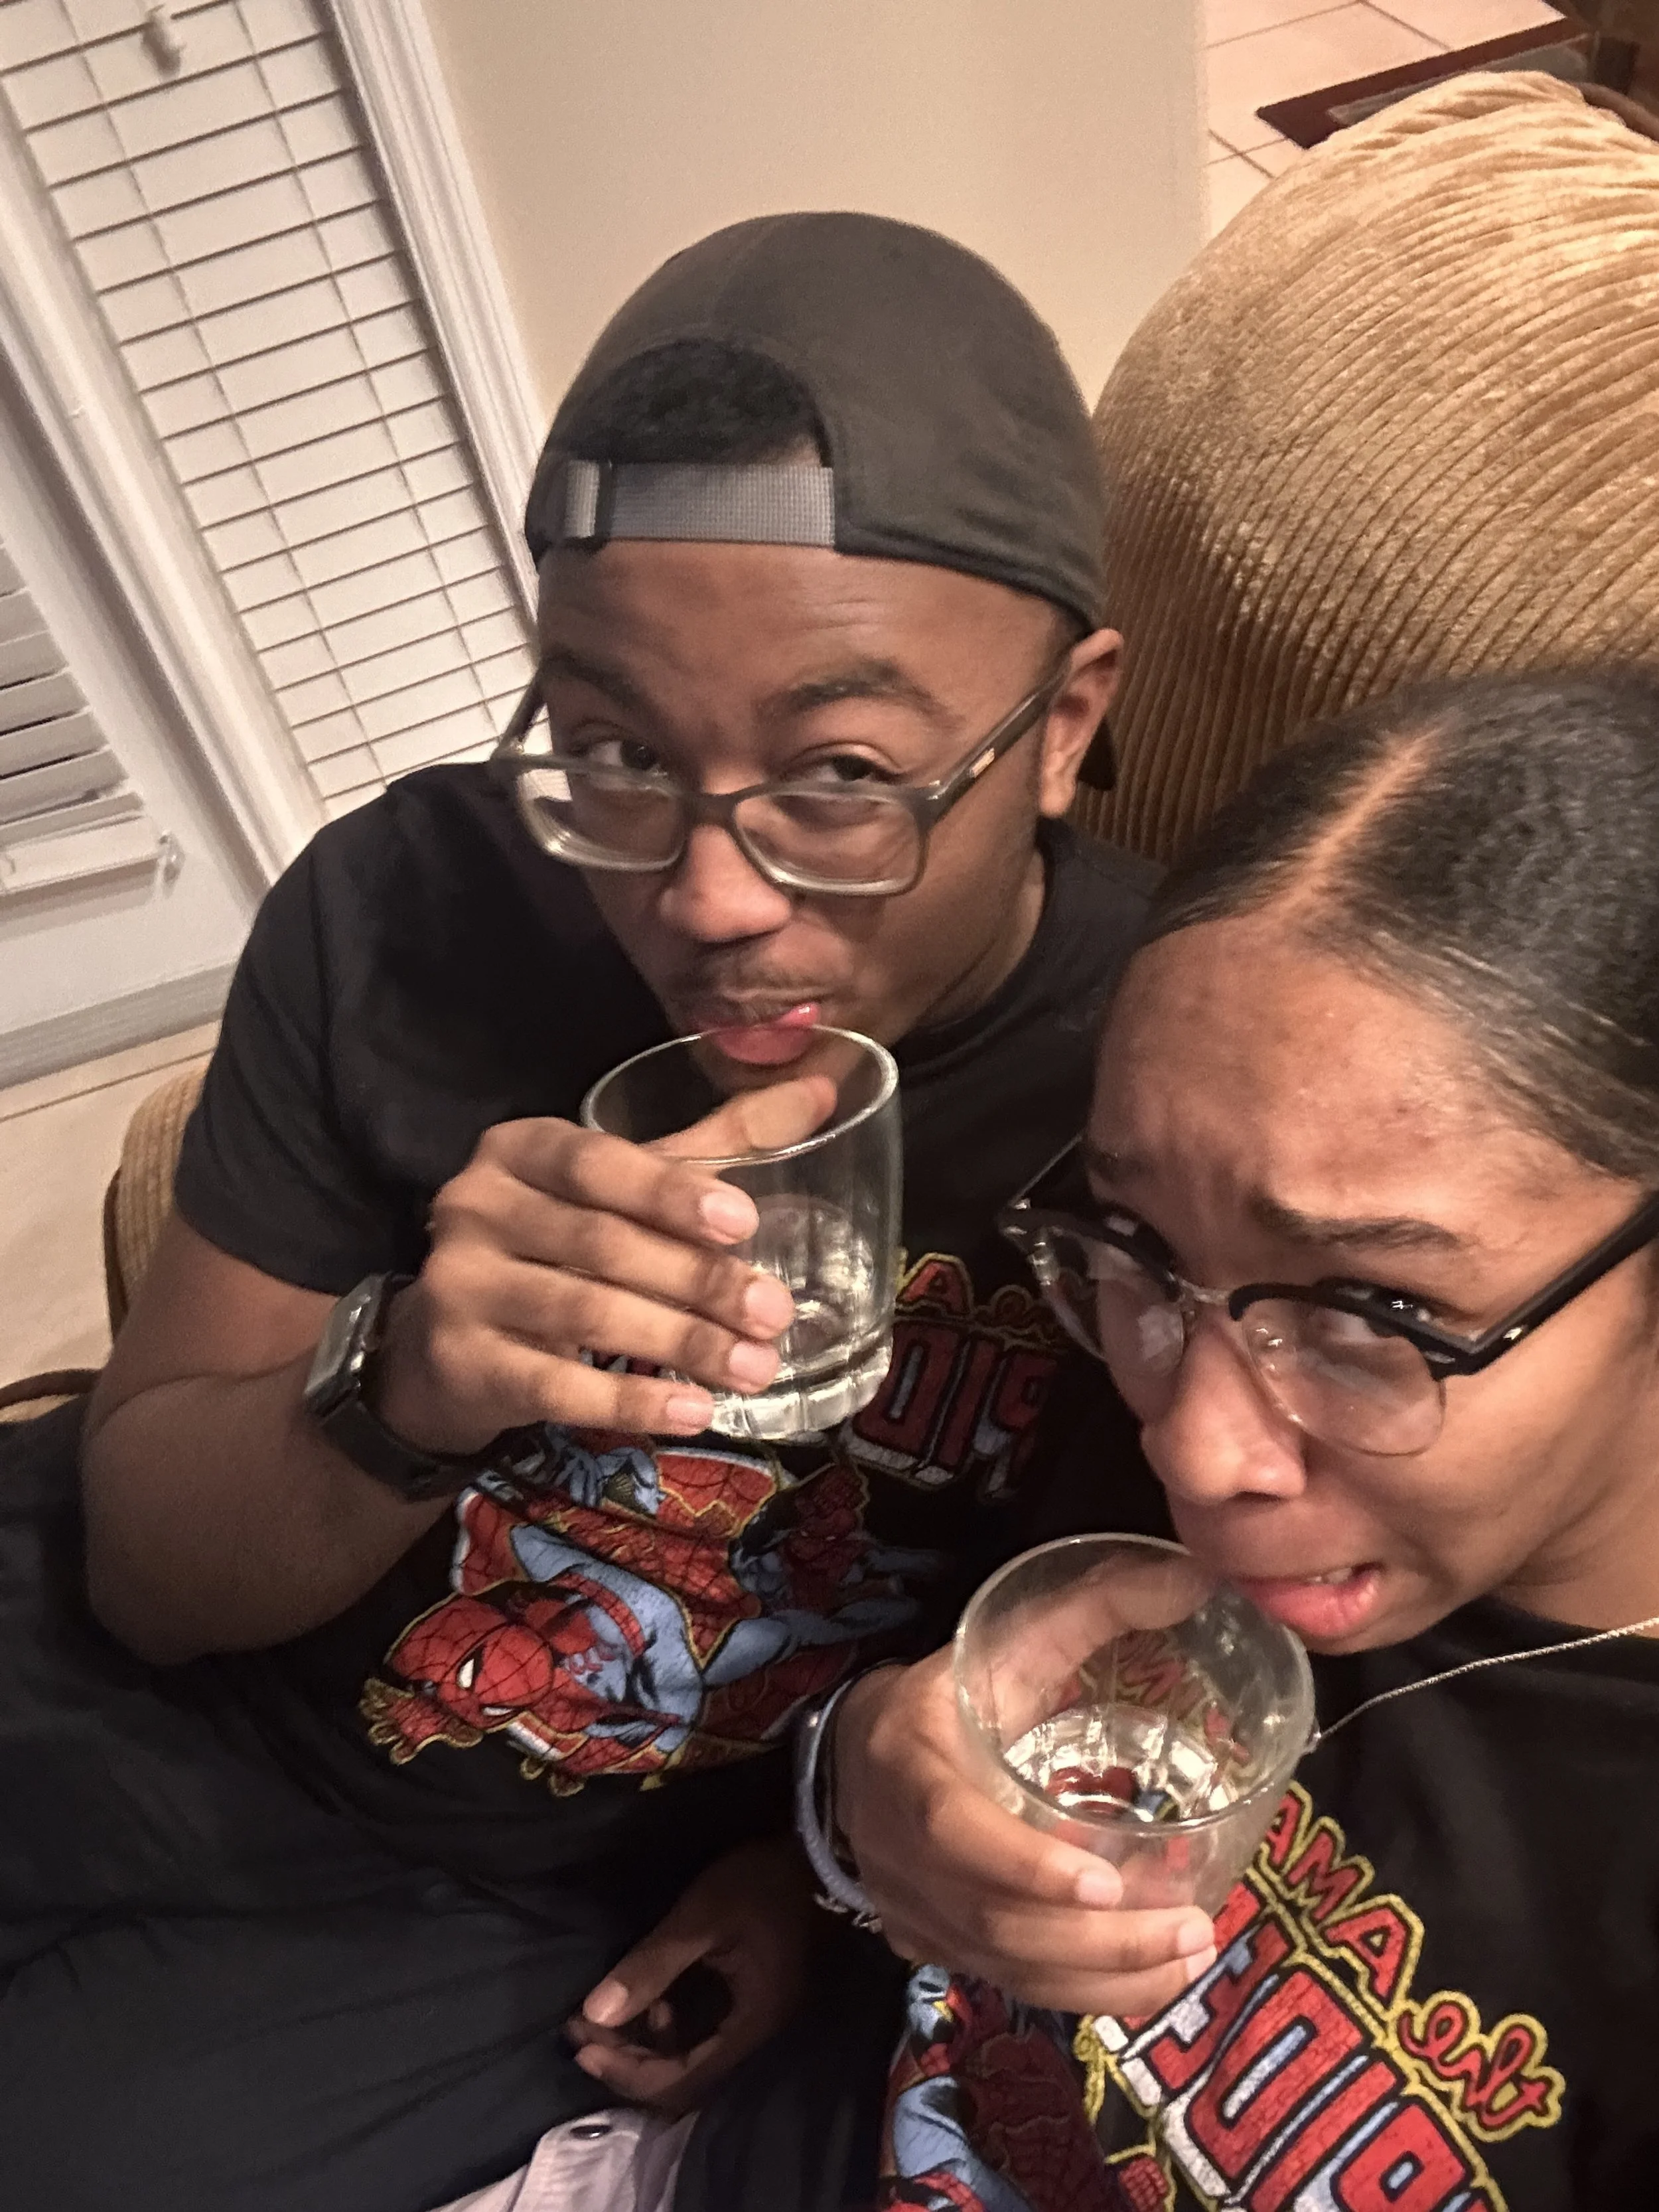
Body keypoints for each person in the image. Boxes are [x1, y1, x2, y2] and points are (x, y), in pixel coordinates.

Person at [0, 212, 1167, 2212]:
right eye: (616, 753)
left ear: (1058, 729)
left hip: (504, 1905)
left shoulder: (1170, 1081)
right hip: (142, 1679)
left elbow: (1140, 1659)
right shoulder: (409, 906)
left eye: (839, 774)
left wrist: (813, 1873)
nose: (704, 898)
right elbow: (149, 1571)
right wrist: (397, 1384)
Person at [833, 670, 1659, 2209]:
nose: (1193, 1452)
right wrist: (853, 1805)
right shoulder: (1147, 1356)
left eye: (1371, 1310)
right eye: (1135, 1244)